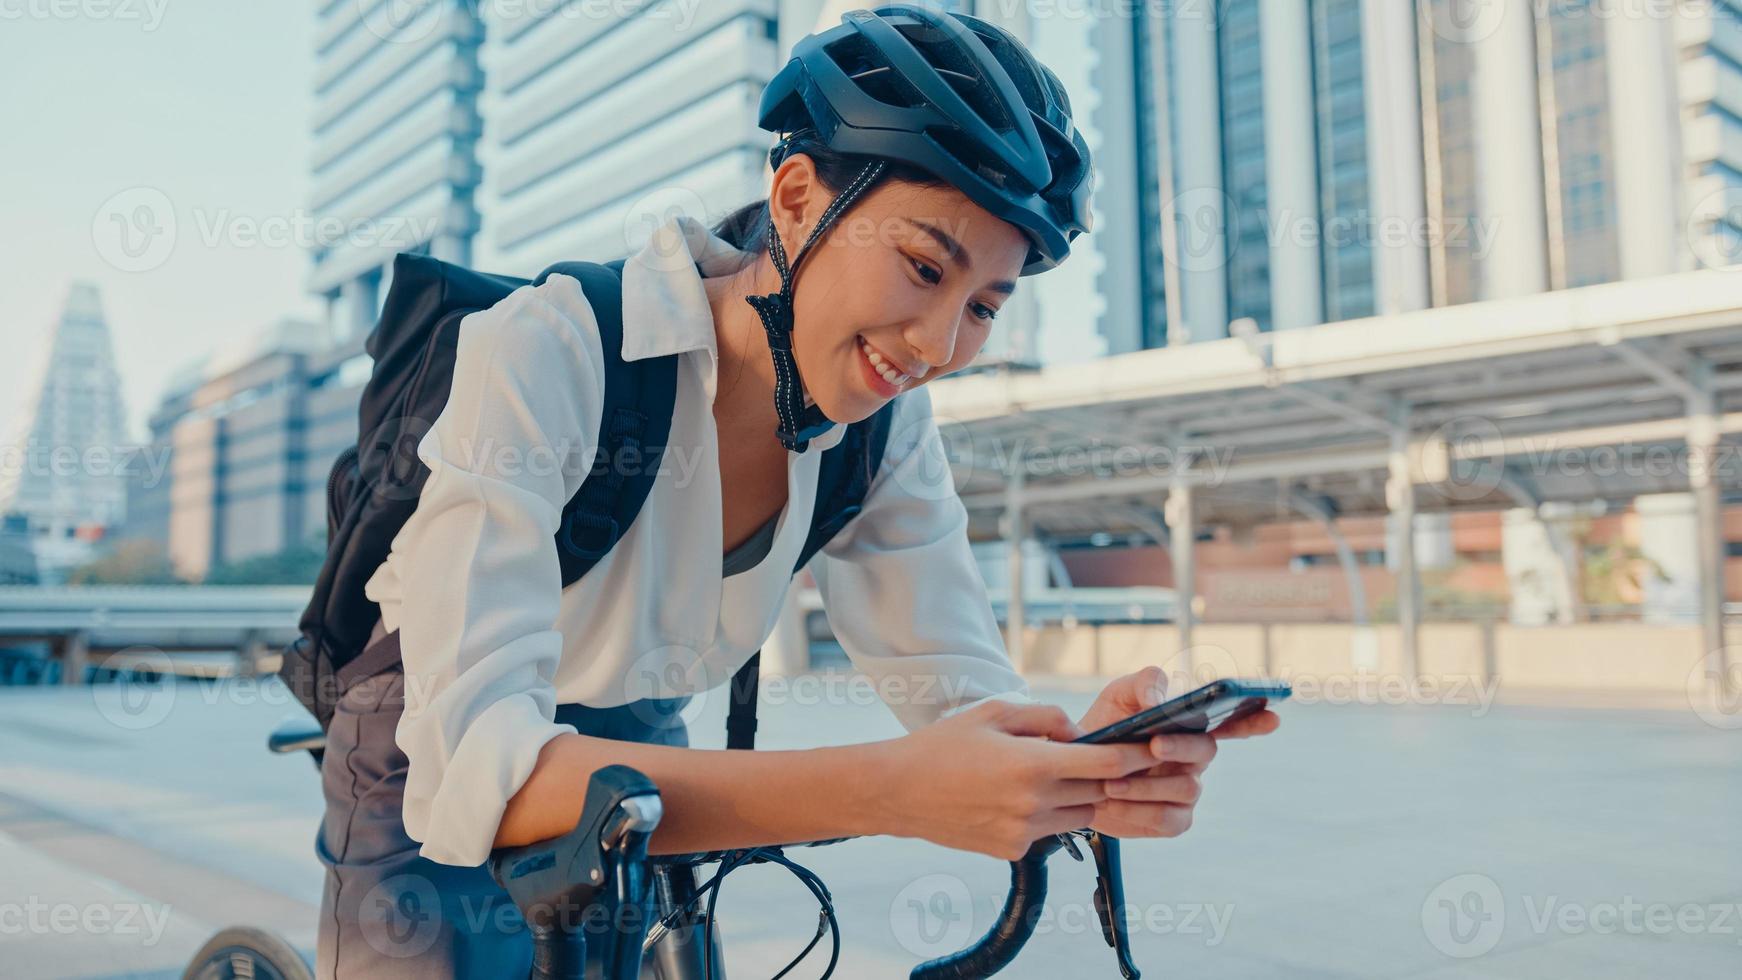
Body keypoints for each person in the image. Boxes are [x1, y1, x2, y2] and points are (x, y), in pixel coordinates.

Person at [315, 5, 1280, 977]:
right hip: (430, 723)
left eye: (983, 305)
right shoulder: (549, 348)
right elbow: (484, 773)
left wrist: (1076, 758)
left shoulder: (885, 427)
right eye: (922, 266)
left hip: (635, 709)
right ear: (793, 197)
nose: (938, 346)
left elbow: (957, 690)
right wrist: (889, 791)